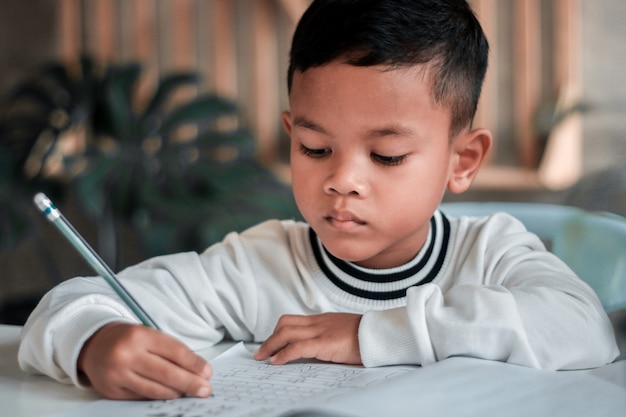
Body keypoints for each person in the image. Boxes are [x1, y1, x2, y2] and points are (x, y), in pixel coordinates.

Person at [19, 0, 618, 401]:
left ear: (461, 161)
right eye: (313, 148)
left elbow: (583, 328)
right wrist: (93, 343)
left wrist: (368, 334)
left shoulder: (490, 253)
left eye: (385, 156)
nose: (342, 181)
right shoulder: (256, 268)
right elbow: (71, 303)